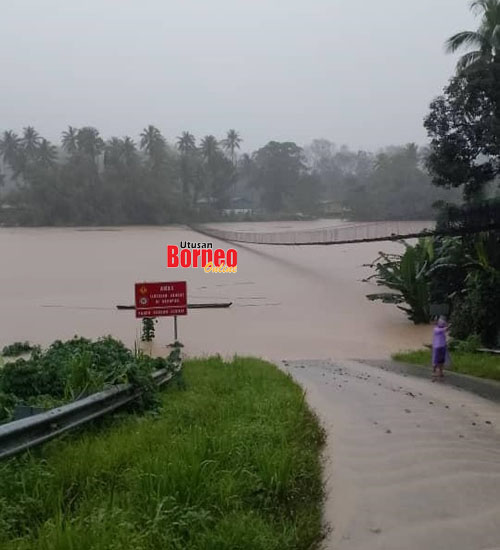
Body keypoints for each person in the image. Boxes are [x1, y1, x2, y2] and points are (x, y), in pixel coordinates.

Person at [432, 317, 450, 381]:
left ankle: (440, 372)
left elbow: (446, 329)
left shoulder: (442, 330)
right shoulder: (436, 329)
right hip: (437, 347)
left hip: (443, 346)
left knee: (442, 361)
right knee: (436, 360)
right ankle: (434, 372)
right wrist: (449, 326)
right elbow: (446, 329)